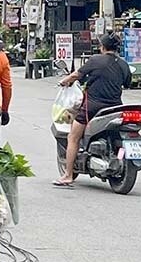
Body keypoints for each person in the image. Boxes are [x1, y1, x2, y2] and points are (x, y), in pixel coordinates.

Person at [55, 33, 132, 187]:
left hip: (93, 106)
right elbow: (127, 83)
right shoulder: (123, 64)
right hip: (115, 106)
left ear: (102, 47)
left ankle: (68, 175)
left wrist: (64, 81)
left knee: (73, 137)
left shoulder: (96, 60)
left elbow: (77, 75)